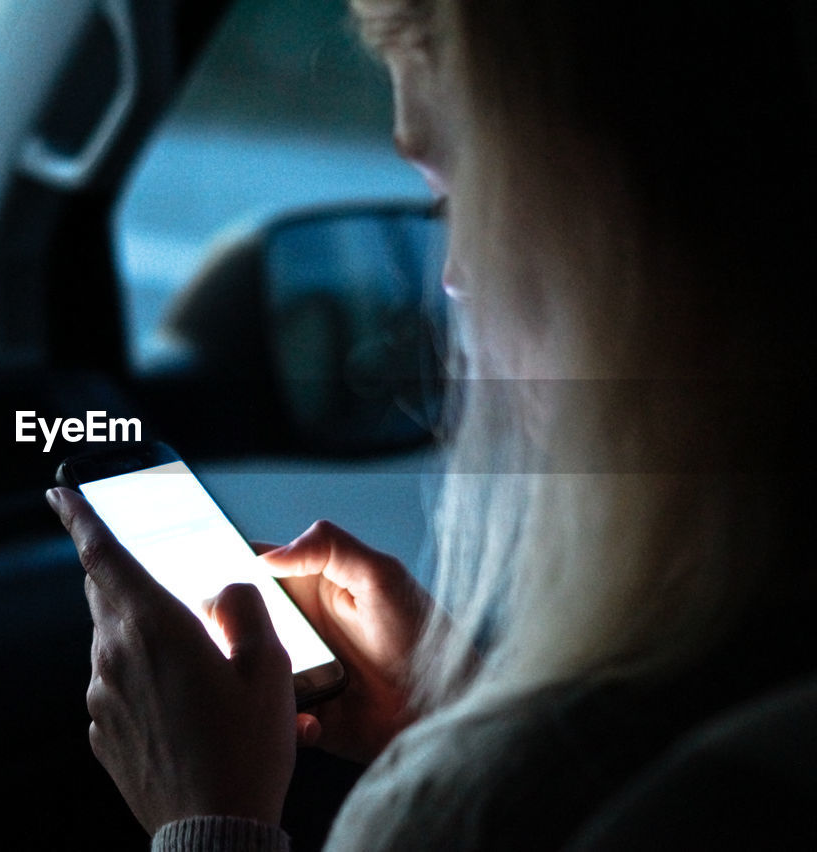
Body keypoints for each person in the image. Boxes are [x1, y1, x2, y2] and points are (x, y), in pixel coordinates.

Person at [47, 0, 817, 848]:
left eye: (456, 199)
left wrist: (206, 814)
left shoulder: (489, 809)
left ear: (635, 228)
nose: (451, 278)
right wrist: (450, 715)